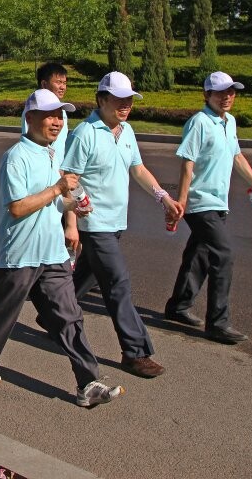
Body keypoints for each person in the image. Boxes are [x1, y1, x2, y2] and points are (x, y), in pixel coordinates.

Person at [0, 89, 124, 408]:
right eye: (50, 115)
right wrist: (57, 188)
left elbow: (53, 201)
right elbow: (17, 208)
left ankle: (87, 383)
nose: (56, 121)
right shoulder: (17, 156)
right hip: (21, 253)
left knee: (70, 317)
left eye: (60, 115)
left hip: (52, 253)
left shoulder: (54, 155)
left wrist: (71, 208)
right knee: (2, 312)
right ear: (30, 118)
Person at [60, 71, 183, 379]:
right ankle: (135, 352)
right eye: (119, 100)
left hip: (116, 221)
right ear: (101, 100)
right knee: (118, 283)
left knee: (86, 276)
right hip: (94, 222)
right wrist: (71, 222)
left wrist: (163, 198)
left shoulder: (126, 131)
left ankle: (56, 315)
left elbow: (137, 168)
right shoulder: (84, 134)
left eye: (129, 100)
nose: (125, 105)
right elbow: (68, 180)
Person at [164, 71, 252, 344]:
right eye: (221, 92)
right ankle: (218, 322)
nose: (227, 97)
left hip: (218, 202)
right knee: (223, 254)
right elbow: (187, 163)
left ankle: (178, 306)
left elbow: (237, 156)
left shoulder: (230, 122)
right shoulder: (198, 122)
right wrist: (183, 201)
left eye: (231, 92)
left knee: (198, 254)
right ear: (207, 95)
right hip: (200, 203)